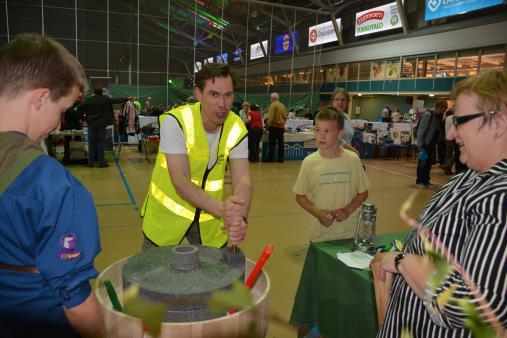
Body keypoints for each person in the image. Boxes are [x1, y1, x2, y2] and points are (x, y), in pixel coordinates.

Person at [373, 70, 507, 338]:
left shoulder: (500, 197)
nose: (450, 134)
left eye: (460, 121)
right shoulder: (470, 178)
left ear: (499, 122)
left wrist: (402, 261)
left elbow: (475, 304)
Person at [0, 34, 104, 337]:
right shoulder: (52, 185)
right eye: (62, 109)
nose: (58, 125)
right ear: (41, 98)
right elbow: (78, 305)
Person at [141, 63, 251, 249]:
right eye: (214, 94)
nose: (223, 104)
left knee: (219, 273)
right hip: (166, 219)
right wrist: (223, 209)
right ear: (198, 94)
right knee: (152, 275)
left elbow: (243, 179)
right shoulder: (175, 121)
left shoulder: (236, 127)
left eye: (228, 95)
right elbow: (180, 181)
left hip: (209, 220)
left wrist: (240, 217)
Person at [293, 106, 370, 242]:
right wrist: (317, 213)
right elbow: (300, 196)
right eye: (318, 130)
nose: (321, 136)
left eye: (327, 131)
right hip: (320, 235)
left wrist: (347, 210)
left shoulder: (352, 159)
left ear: (339, 133)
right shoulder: (309, 162)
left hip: (350, 233)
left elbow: (363, 193)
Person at [81, 87, 127, 167]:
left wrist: (84, 118)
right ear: (102, 92)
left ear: (94, 92)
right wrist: (126, 98)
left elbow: (79, 108)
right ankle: (101, 162)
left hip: (91, 124)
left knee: (91, 143)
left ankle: (90, 163)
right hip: (102, 124)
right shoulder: (105, 99)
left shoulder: (88, 100)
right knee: (100, 143)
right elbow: (116, 100)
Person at [415, 100, 447, 187]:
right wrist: (420, 145)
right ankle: (419, 181)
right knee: (423, 162)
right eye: (444, 108)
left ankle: (426, 181)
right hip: (424, 143)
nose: (445, 110)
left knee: (429, 163)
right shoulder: (428, 114)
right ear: (440, 107)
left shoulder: (440, 116)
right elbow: (421, 130)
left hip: (432, 143)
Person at [330, 87, 359, 154]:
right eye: (337, 99)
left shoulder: (346, 117)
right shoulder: (329, 117)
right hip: (333, 155)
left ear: (347, 102)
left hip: (347, 154)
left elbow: (349, 138)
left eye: (343, 100)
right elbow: (334, 138)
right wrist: (351, 149)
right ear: (332, 101)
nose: (340, 102)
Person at [266, 92, 287, 162]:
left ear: (273, 98)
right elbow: (285, 117)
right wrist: (283, 123)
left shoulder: (273, 105)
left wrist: (268, 125)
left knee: (272, 144)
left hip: (274, 127)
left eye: (271, 98)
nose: (270, 100)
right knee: (281, 144)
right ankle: (281, 159)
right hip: (281, 127)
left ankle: (270, 159)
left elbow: (271, 117)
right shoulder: (282, 105)